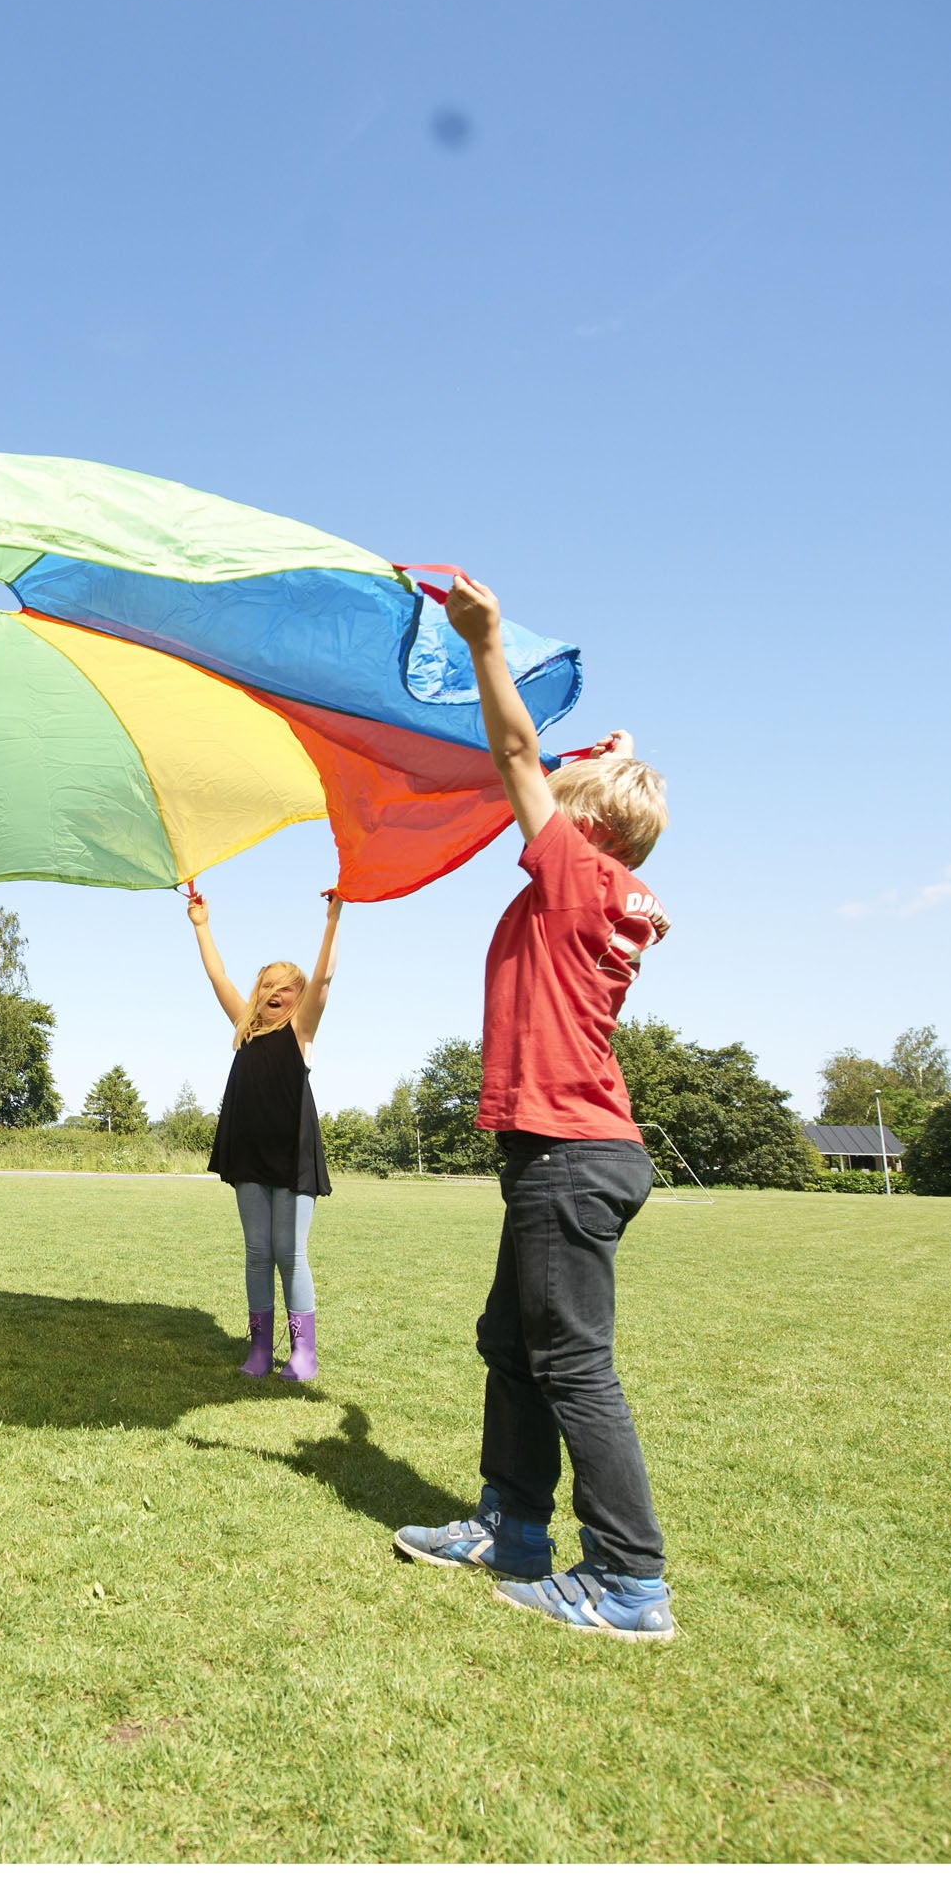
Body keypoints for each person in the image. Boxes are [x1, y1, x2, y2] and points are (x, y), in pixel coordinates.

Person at [394, 570, 677, 1643]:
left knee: (569, 1362)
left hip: (566, 1152)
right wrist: (614, 759)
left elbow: (516, 754)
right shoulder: (613, 885)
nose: (553, 787)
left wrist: (485, 642)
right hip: (573, 1148)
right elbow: (558, 775)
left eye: (578, 788)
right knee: (508, 1341)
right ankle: (512, 1527)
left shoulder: (570, 873)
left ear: (589, 821)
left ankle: (629, 1581)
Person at [188, 888, 343, 1382]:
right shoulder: (244, 1026)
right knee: (257, 1252)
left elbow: (325, 977)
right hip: (249, 1152)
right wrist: (201, 924)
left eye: (287, 987)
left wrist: (334, 918)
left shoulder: (302, 1032)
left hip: (292, 1156)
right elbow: (217, 975)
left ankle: (304, 1354)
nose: (277, 993)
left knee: (289, 1253)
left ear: (298, 998)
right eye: (269, 985)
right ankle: (259, 1349)